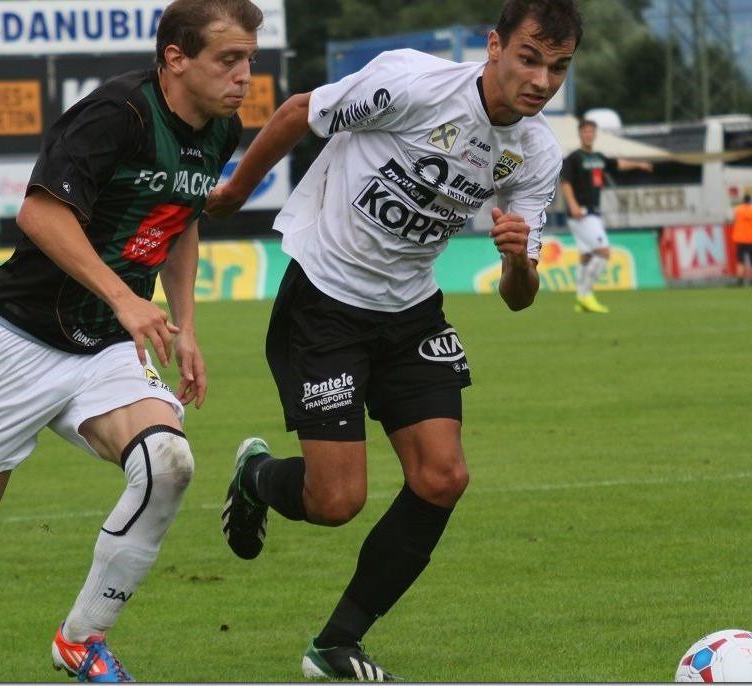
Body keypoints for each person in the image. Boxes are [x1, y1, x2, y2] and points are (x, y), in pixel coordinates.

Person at [0, 0, 260, 681]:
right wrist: (125, 298)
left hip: (108, 343)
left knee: (167, 463)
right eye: (228, 59)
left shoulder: (220, 129)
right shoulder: (119, 114)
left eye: (250, 60)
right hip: (16, 341)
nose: (244, 76)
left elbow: (181, 215)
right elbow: (39, 214)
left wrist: (186, 324)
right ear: (176, 57)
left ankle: (82, 639)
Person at [207, 0, 582, 679]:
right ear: (494, 46)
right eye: (529, 58)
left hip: (411, 311)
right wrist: (234, 191)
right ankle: (257, 478)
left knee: (444, 477)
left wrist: (520, 260)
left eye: (557, 68)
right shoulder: (411, 84)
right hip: (324, 300)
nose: (541, 80)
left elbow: (518, 300)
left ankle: (336, 644)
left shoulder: (534, 152)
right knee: (336, 502)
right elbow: (298, 112)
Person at [559, 118, 653, 313]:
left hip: (593, 212)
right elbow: (565, 182)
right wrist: (573, 205)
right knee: (603, 252)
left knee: (586, 255)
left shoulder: (599, 157)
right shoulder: (574, 158)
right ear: (580, 134)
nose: (588, 134)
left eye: (591, 131)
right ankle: (586, 295)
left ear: (595, 134)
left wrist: (639, 164)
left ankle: (580, 298)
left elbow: (619, 164)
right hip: (581, 213)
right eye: (585, 131)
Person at [732, 193, 752, 286]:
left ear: (743, 201)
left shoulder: (738, 210)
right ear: (750, 201)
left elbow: (734, 219)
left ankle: (740, 281)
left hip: (740, 239)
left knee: (740, 261)